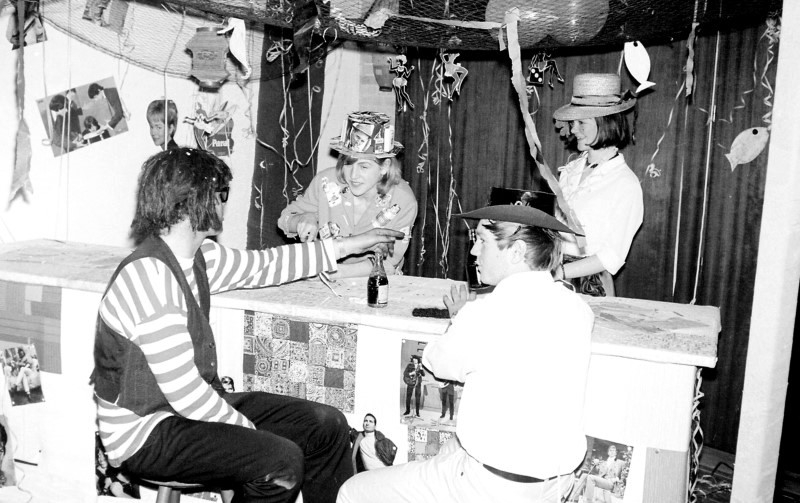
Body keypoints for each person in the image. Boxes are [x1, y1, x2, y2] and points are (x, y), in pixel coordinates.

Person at [91, 147, 404, 503]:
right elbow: (185, 393)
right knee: (280, 464)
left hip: (184, 412)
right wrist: (251, 432)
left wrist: (352, 244)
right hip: (145, 433)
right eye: (221, 194)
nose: (224, 204)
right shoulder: (150, 277)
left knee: (326, 424)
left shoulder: (199, 257)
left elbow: (267, 265)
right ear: (196, 201)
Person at [338, 204, 594, 503]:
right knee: (450, 449)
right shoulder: (578, 309)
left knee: (352, 492)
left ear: (516, 251)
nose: (473, 251)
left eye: (483, 241)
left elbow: (437, 362)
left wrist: (459, 317)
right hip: (556, 484)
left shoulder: (485, 313)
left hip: (491, 486)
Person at [278, 111, 417, 278]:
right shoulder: (325, 182)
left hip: (373, 280)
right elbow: (285, 219)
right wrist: (303, 218)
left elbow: (389, 262)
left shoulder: (403, 201)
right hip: (323, 276)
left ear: (385, 167)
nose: (353, 175)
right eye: (348, 164)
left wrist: (331, 272)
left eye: (364, 167)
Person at [551, 73, 644, 297]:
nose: (574, 129)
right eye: (573, 122)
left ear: (605, 123)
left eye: (581, 123)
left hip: (588, 285)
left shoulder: (625, 184)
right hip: (552, 275)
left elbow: (612, 256)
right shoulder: (570, 170)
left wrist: (560, 272)